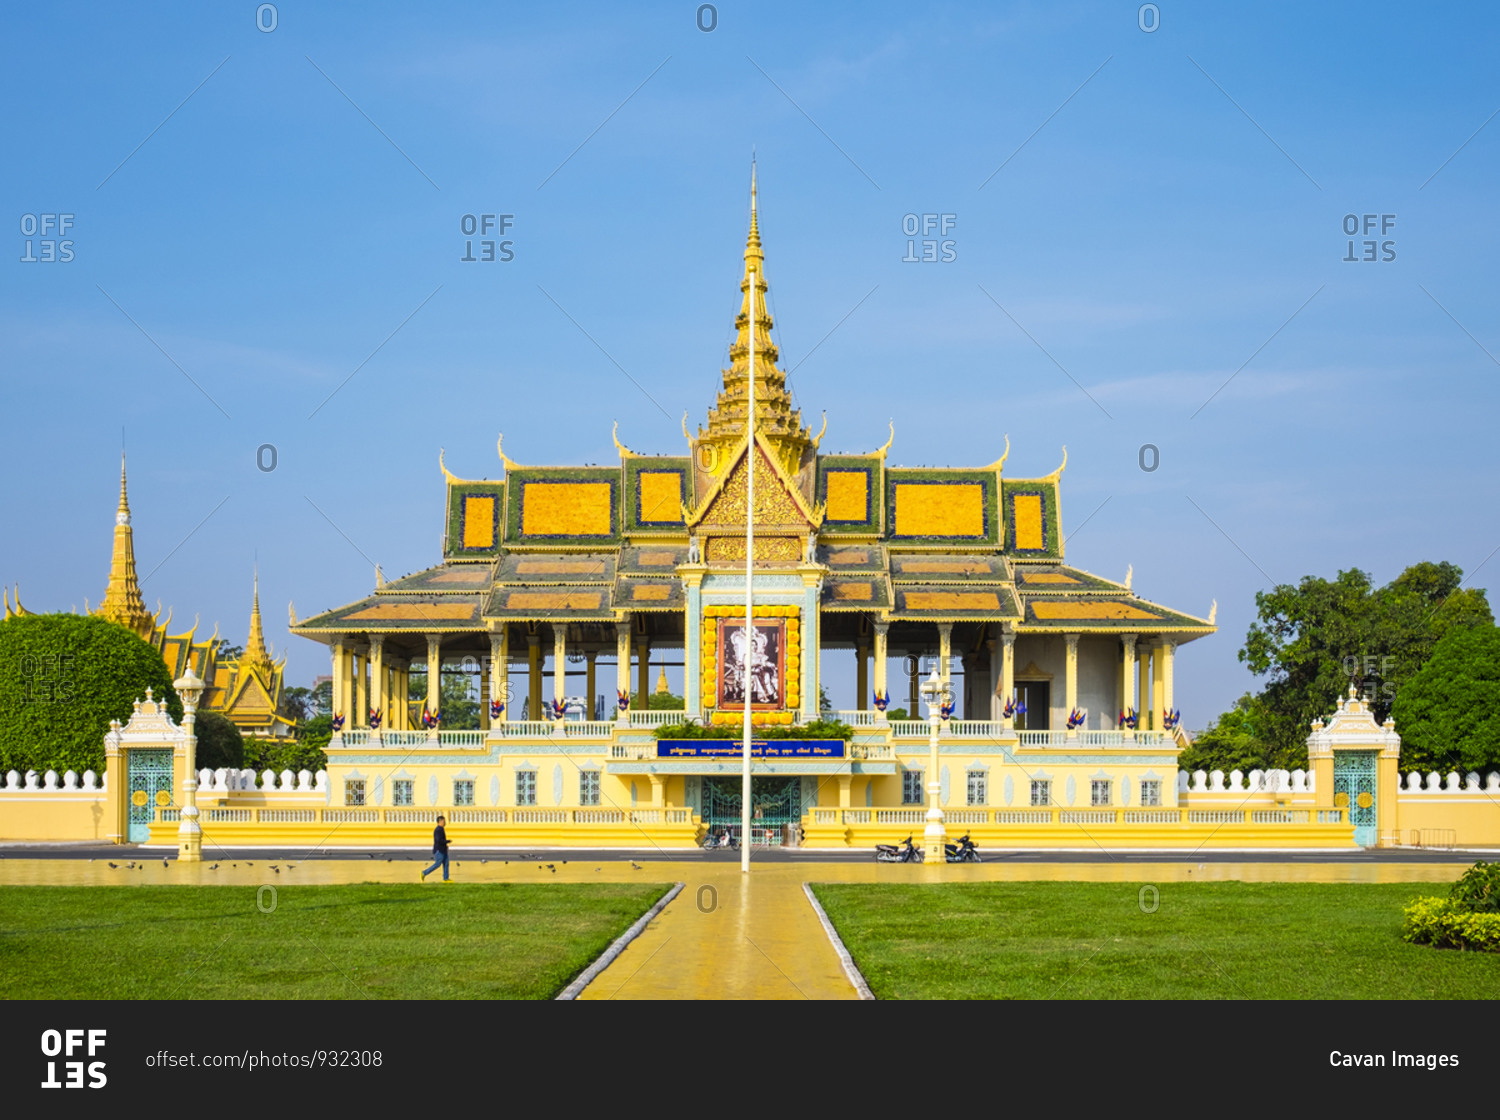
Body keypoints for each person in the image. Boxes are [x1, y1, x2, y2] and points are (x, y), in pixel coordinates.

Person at [421, 816, 453, 881]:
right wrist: (447, 841)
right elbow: (439, 840)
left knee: (446, 864)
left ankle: (446, 878)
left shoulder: (441, 829)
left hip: (443, 850)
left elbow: (441, 840)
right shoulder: (438, 830)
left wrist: (446, 845)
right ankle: (424, 873)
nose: (445, 822)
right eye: (444, 821)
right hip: (439, 850)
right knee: (437, 864)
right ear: (440, 821)